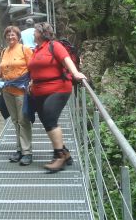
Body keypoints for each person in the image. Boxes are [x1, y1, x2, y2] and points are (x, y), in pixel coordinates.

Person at [28, 22, 86, 172]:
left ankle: (58, 157)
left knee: (50, 116)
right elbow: (37, 68)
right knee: (47, 121)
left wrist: (75, 73)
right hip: (39, 90)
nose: (33, 33)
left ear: (41, 33)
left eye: (35, 31)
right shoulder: (36, 50)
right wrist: (32, 81)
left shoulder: (54, 45)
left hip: (58, 87)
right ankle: (65, 153)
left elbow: (66, 59)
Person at [0, 26, 34, 166]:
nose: (10, 37)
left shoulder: (24, 49)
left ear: (18, 36)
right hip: (7, 90)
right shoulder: (4, 52)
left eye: (13, 34)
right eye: (8, 34)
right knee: (15, 121)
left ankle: (27, 152)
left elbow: (33, 69)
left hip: (21, 90)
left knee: (23, 120)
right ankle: (19, 149)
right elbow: (1, 73)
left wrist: (32, 83)